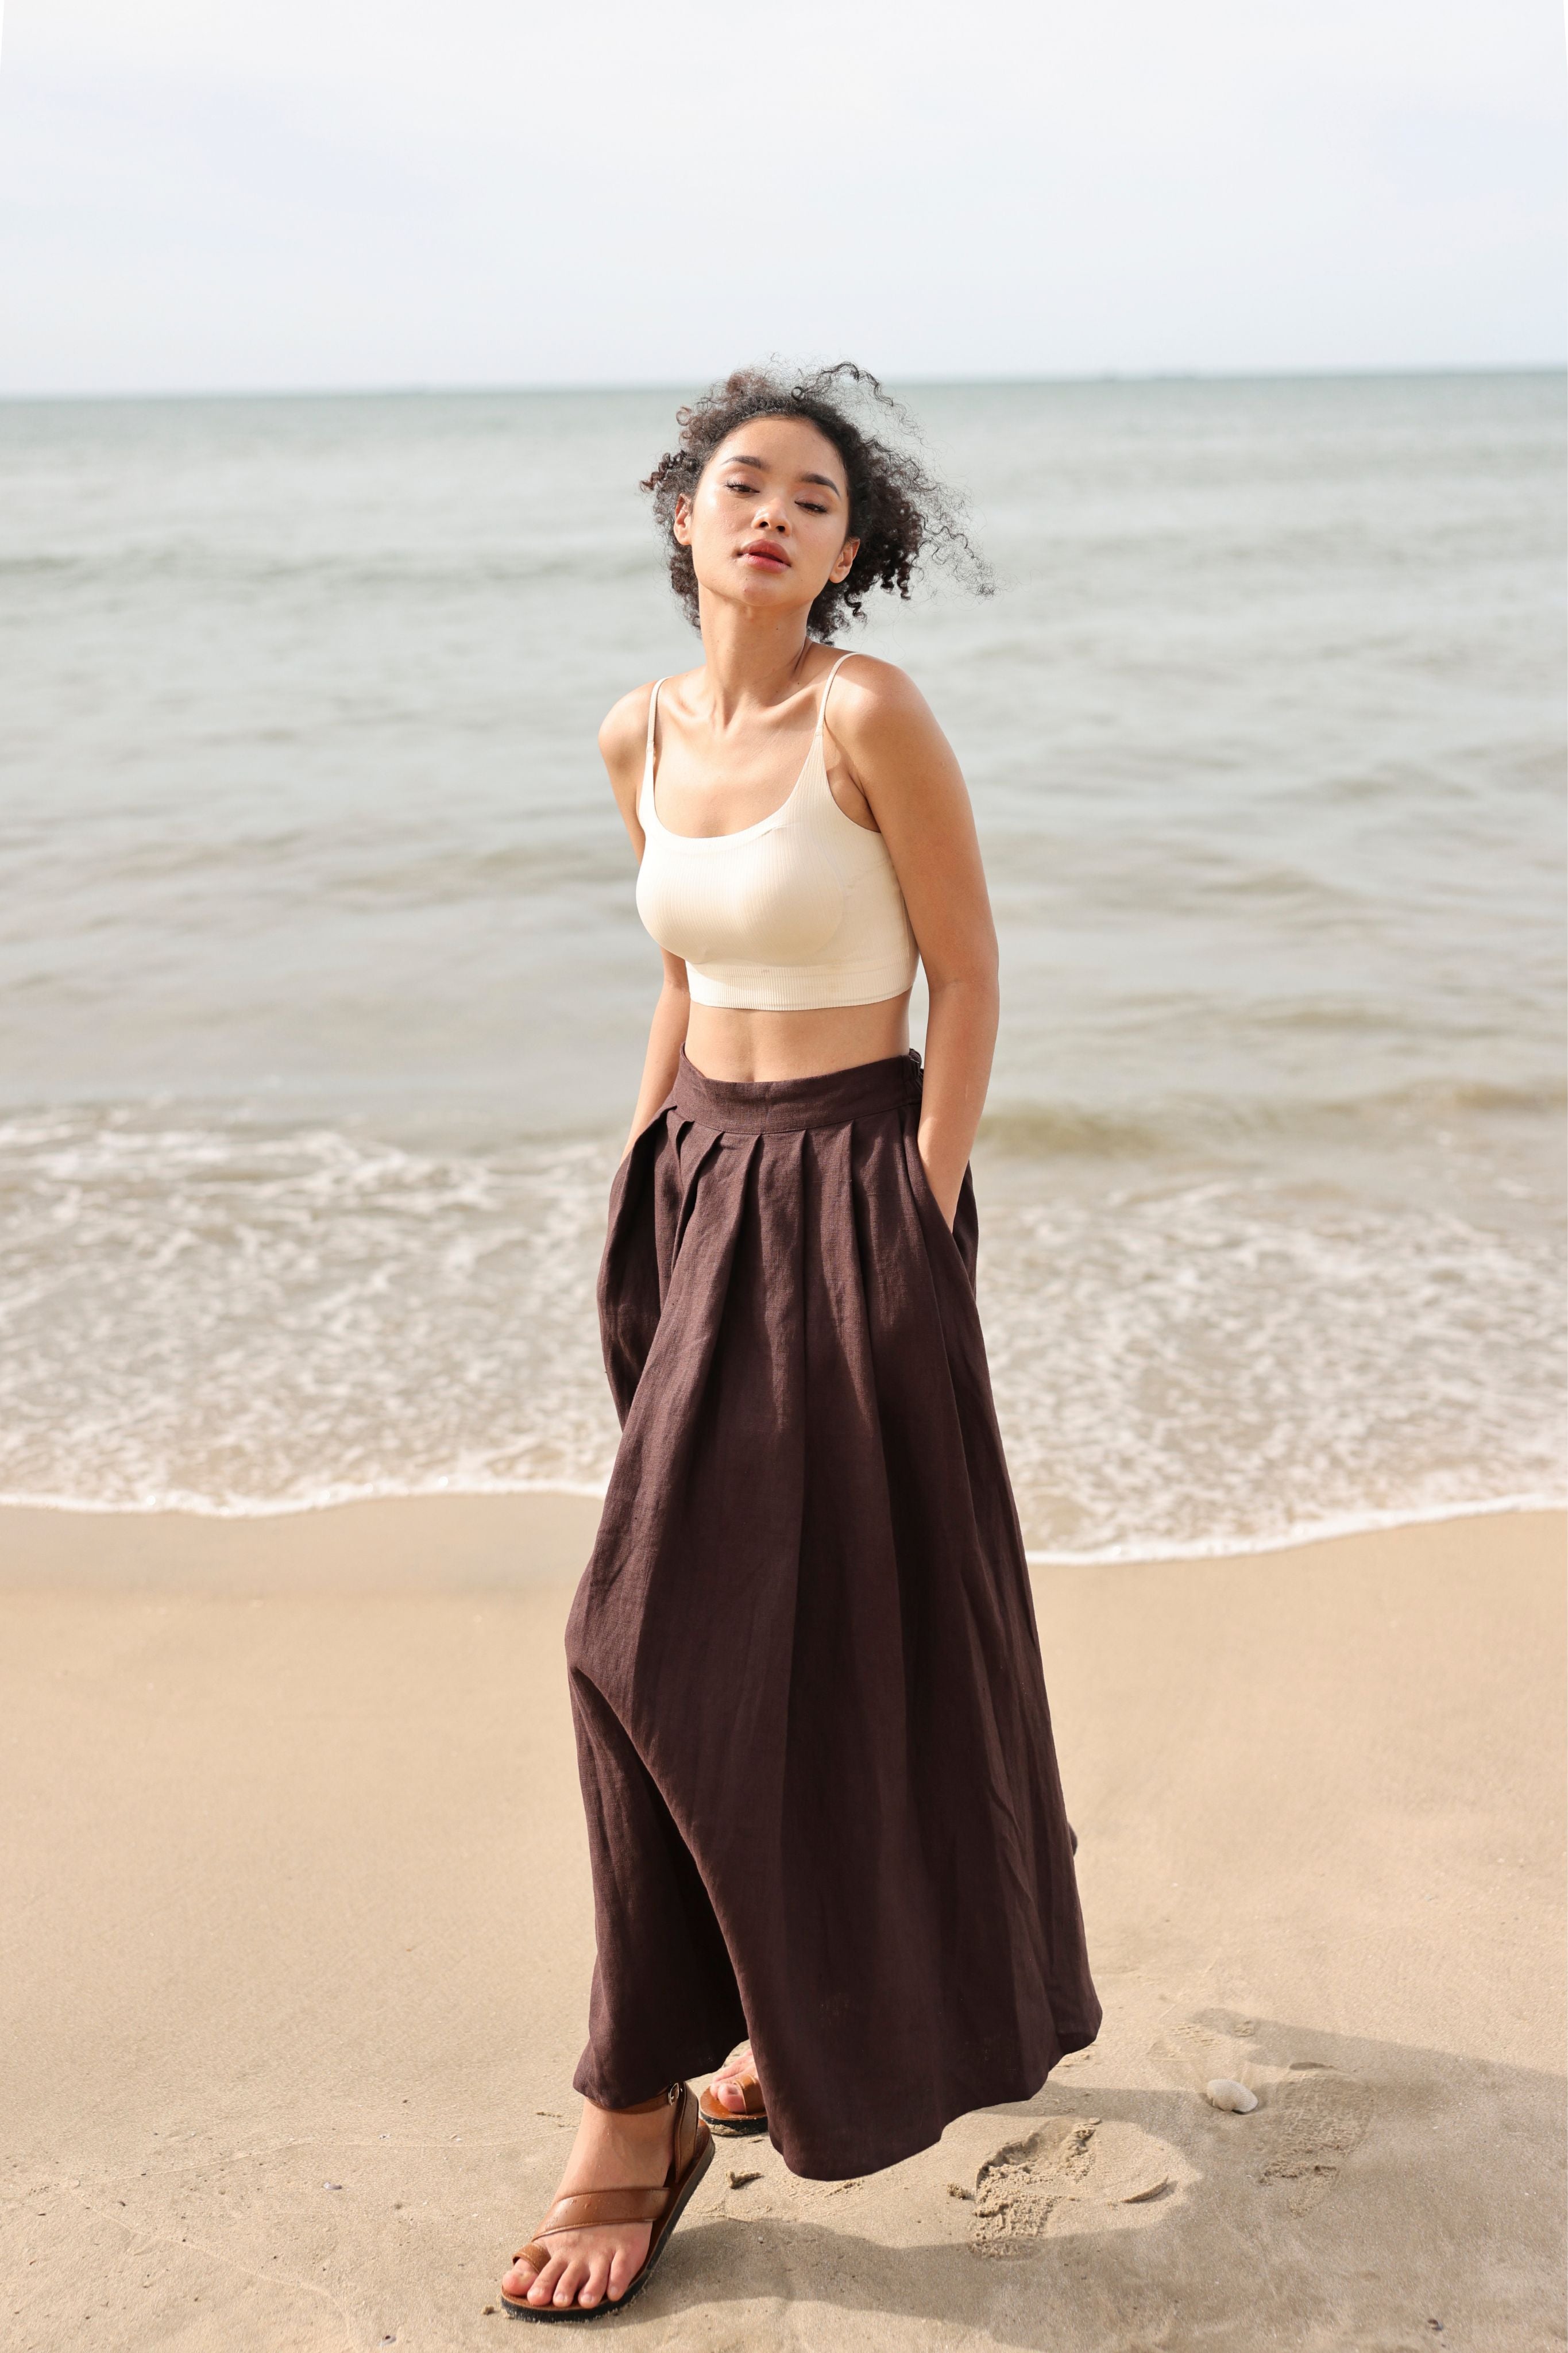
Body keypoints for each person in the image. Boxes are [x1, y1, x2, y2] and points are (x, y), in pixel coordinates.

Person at [501, 364, 1099, 2322]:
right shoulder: (636, 735)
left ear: (855, 552)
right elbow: (679, 971)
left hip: (850, 1194)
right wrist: (642, 1172)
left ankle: (631, 2107)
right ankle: (782, 2021)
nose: (771, 514)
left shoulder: (869, 713)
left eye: (814, 500)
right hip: (698, 1190)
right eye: (740, 484)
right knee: (734, 1635)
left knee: (651, 1637)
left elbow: (969, 969)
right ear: (681, 515)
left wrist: (913, 1215)